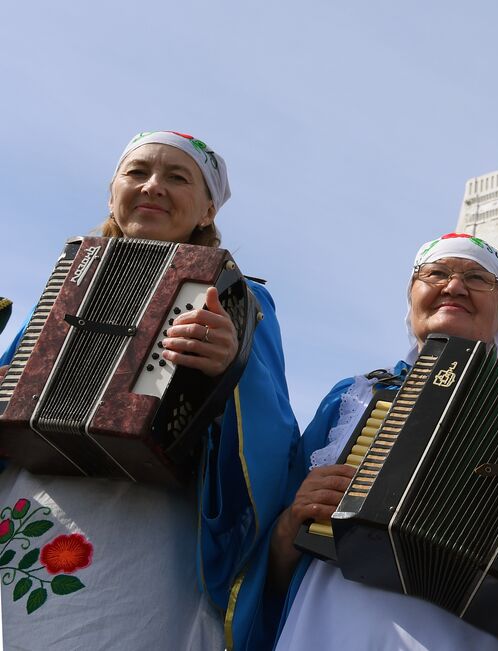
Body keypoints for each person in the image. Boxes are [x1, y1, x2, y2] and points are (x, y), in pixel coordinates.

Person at [0, 130, 300, 650]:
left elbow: (271, 428)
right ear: (112, 190)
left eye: (177, 177)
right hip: (35, 503)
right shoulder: (70, 275)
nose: (153, 186)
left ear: (207, 210)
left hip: (147, 526)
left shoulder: (239, 298)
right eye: (137, 173)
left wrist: (230, 371)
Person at [270, 232, 498, 650]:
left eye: (478, 278)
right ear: (411, 296)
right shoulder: (352, 398)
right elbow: (262, 563)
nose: (454, 286)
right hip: (338, 629)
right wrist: (291, 524)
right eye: (437, 273)